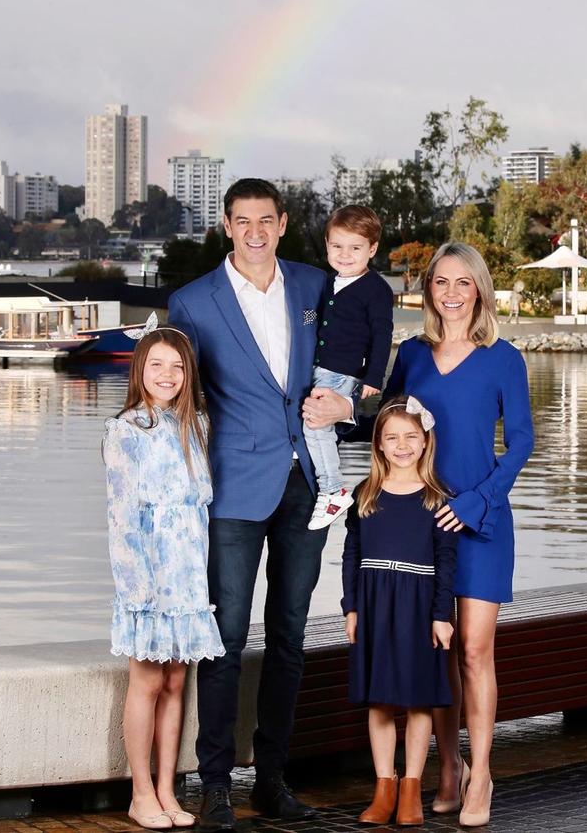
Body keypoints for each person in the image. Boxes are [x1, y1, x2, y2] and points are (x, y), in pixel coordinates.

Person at [304, 241, 534, 827]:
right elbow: (386, 420)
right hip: (418, 524)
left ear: (479, 290)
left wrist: (480, 500)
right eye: (440, 282)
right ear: (428, 290)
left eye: (463, 282)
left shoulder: (504, 358)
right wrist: (335, 412)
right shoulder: (411, 354)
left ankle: (481, 774)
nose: (452, 293)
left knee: (476, 651)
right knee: (443, 648)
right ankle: (448, 767)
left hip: (480, 522)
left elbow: (524, 442)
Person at [168, 179, 353, 832]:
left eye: (264, 221)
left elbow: (350, 360)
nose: (254, 232)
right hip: (233, 488)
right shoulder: (193, 303)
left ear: (280, 225)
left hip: (308, 480)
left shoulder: (314, 286)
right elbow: (175, 401)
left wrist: (349, 403)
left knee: (291, 634)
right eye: (242, 221)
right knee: (224, 636)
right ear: (227, 225)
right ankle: (215, 785)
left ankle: (272, 779)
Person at [103, 322, 225, 831]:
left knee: (178, 681)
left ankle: (168, 790)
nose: (167, 375)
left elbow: (197, 508)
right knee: (148, 680)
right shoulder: (125, 430)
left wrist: (197, 574)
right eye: (157, 364)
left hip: (189, 573)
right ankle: (140, 792)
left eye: (177, 367)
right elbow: (122, 513)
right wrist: (137, 585)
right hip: (149, 574)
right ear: (140, 369)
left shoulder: (196, 424)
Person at [342, 396, 457, 827]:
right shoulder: (365, 493)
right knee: (379, 701)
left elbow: (446, 561)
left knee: (417, 701)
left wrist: (441, 614)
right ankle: (384, 787)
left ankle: (411, 788)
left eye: (411, 436)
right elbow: (352, 553)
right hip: (373, 603)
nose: (402, 445)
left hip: (418, 604)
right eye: (391, 437)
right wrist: (350, 607)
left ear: (425, 442)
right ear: (379, 445)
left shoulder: (439, 496)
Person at [305, 205, 394, 531]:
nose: (345, 255)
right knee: (317, 426)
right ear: (327, 244)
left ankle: (333, 489)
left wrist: (373, 377)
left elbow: (383, 335)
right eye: (337, 246)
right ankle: (329, 484)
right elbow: (316, 321)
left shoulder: (376, 289)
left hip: (345, 371)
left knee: (315, 425)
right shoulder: (328, 283)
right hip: (322, 369)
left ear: (372, 249)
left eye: (355, 248)